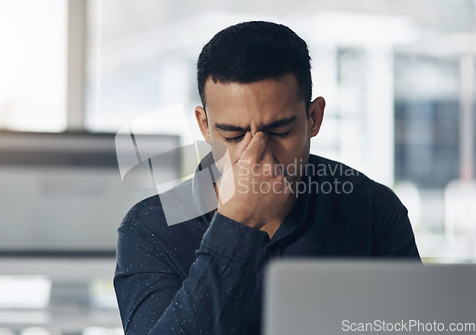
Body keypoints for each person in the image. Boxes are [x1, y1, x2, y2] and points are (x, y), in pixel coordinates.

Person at [114, 21, 420, 335]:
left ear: (313, 118)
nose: (257, 153)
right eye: (232, 135)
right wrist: (238, 223)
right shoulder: (151, 227)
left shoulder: (371, 209)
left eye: (279, 131)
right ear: (205, 126)